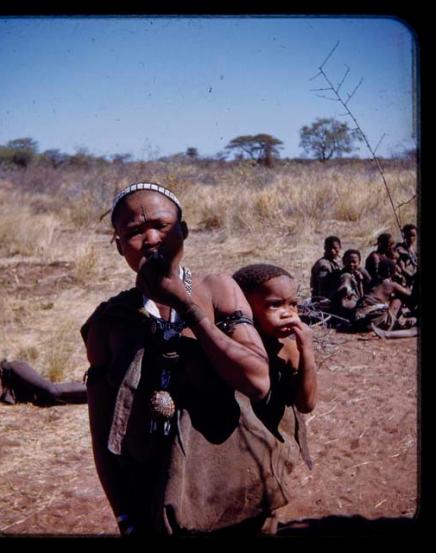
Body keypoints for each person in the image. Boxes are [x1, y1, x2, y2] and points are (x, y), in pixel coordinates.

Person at [82, 182, 296, 536]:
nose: (150, 239)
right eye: (134, 232)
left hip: (234, 491)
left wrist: (186, 305)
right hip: (153, 498)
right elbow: (103, 433)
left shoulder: (218, 290)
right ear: (119, 246)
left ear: (183, 230)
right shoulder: (109, 322)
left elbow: (257, 382)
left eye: (161, 226)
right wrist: (124, 515)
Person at [232, 263, 317, 521]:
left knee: (264, 515)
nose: (288, 314)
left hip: (274, 455)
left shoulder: (289, 350)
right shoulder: (231, 350)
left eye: (293, 305)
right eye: (274, 305)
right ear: (244, 305)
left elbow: (306, 404)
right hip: (237, 453)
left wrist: (307, 352)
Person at [0, 340, 87, 405]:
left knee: (52, 391)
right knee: (51, 399)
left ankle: (98, 386)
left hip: (8, 372)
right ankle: (96, 396)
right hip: (8, 394)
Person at [351, 258, 415, 334]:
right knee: (398, 298)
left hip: (358, 319)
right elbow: (411, 295)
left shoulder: (373, 282)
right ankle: (394, 322)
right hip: (374, 321)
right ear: (392, 272)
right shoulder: (391, 285)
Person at [331, 249, 371, 318]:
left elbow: (371, 287)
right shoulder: (340, 275)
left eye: (354, 262)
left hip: (361, 303)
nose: (351, 264)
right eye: (349, 261)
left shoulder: (362, 272)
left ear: (359, 262)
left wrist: (360, 282)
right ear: (343, 261)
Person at [309, 236, 343, 303]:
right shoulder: (323, 264)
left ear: (340, 247)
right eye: (329, 248)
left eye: (335, 248)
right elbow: (321, 286)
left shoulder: (341, 261)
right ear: (325, 248)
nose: (332, 251)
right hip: (325, 299)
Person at [395, 224, 418, 290]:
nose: (411, 238)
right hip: (405, 280)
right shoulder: (399, 249)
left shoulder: (415, 251)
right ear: (404, 235)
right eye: (408, 235)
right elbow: (402, 268)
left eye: (413, 235)